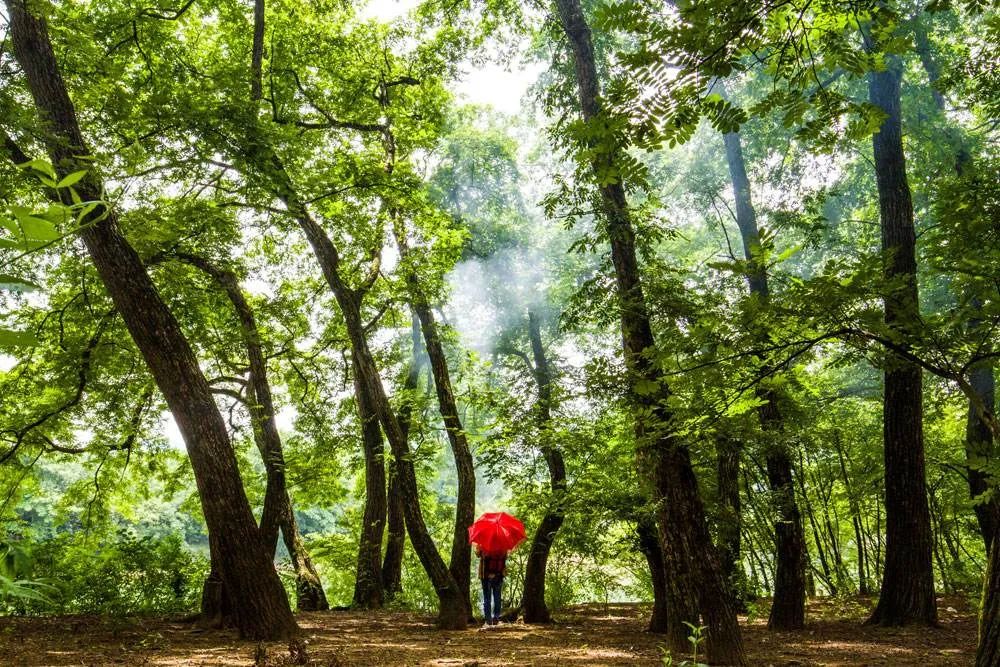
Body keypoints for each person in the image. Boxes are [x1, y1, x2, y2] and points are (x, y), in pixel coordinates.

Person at [477, 545, 507, 629]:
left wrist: (479, 546)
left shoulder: (483, 543)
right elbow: (505, 557)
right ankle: (496, 618)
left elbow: (478, 554)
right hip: (499, 575)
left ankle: (488, 620)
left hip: (486, 575)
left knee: (487, 598)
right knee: (497, 597)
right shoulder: (503, 544)